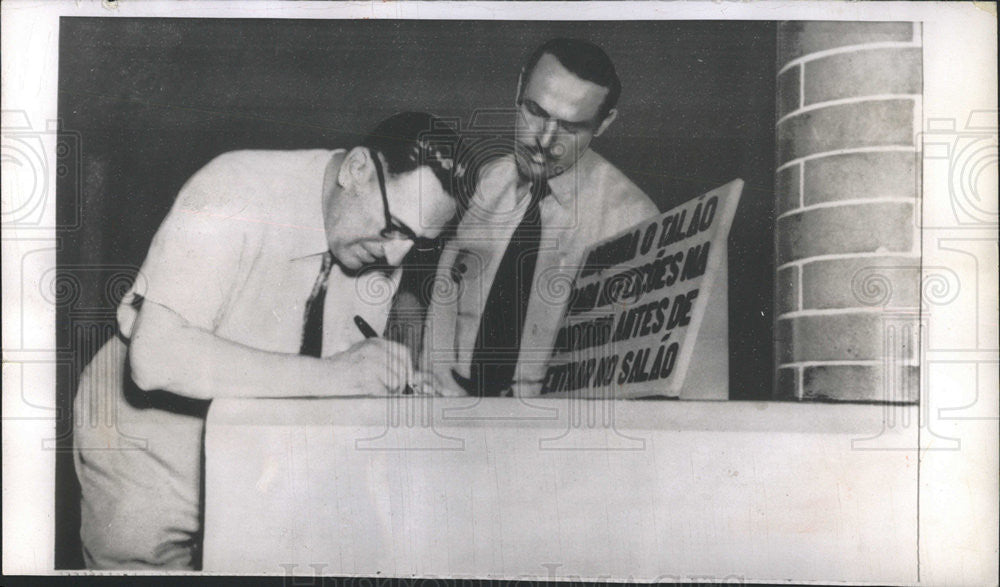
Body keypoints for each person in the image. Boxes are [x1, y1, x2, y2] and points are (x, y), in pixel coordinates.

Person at [72, 112, 460, 569]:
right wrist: (336, 374)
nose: (396, 255)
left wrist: (395, 393)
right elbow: (155, 358)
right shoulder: (233, 189)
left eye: (418, 242)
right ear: (357, 168)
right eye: (393, 228)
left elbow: (330, 384)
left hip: (252, 449)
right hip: (148, 440)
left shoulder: (376, 245)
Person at [422, 38, 659, 397]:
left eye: (570, 126)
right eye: (535, 110)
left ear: (604, 123)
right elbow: (445, 292)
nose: (543, 141)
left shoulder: (632, 221)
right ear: (519, 87)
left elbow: (627, 375)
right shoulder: (486, 180)